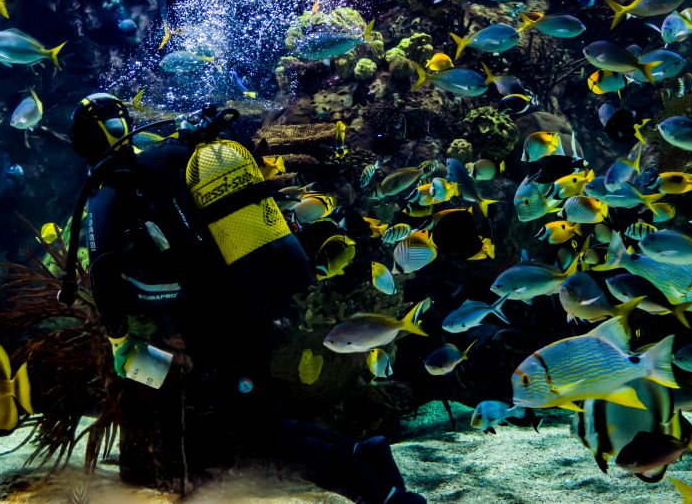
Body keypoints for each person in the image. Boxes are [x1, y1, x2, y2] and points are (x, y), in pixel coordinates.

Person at [67, 93, 425, 503]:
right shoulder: (167, 156)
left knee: (258, 436)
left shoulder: (109, 192)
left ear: (83, 143)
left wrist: (118, 338)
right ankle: (367, 454)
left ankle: (384, 498)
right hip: (252, 294)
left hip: (217, 316)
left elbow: (102, 269)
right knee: (262, 416)